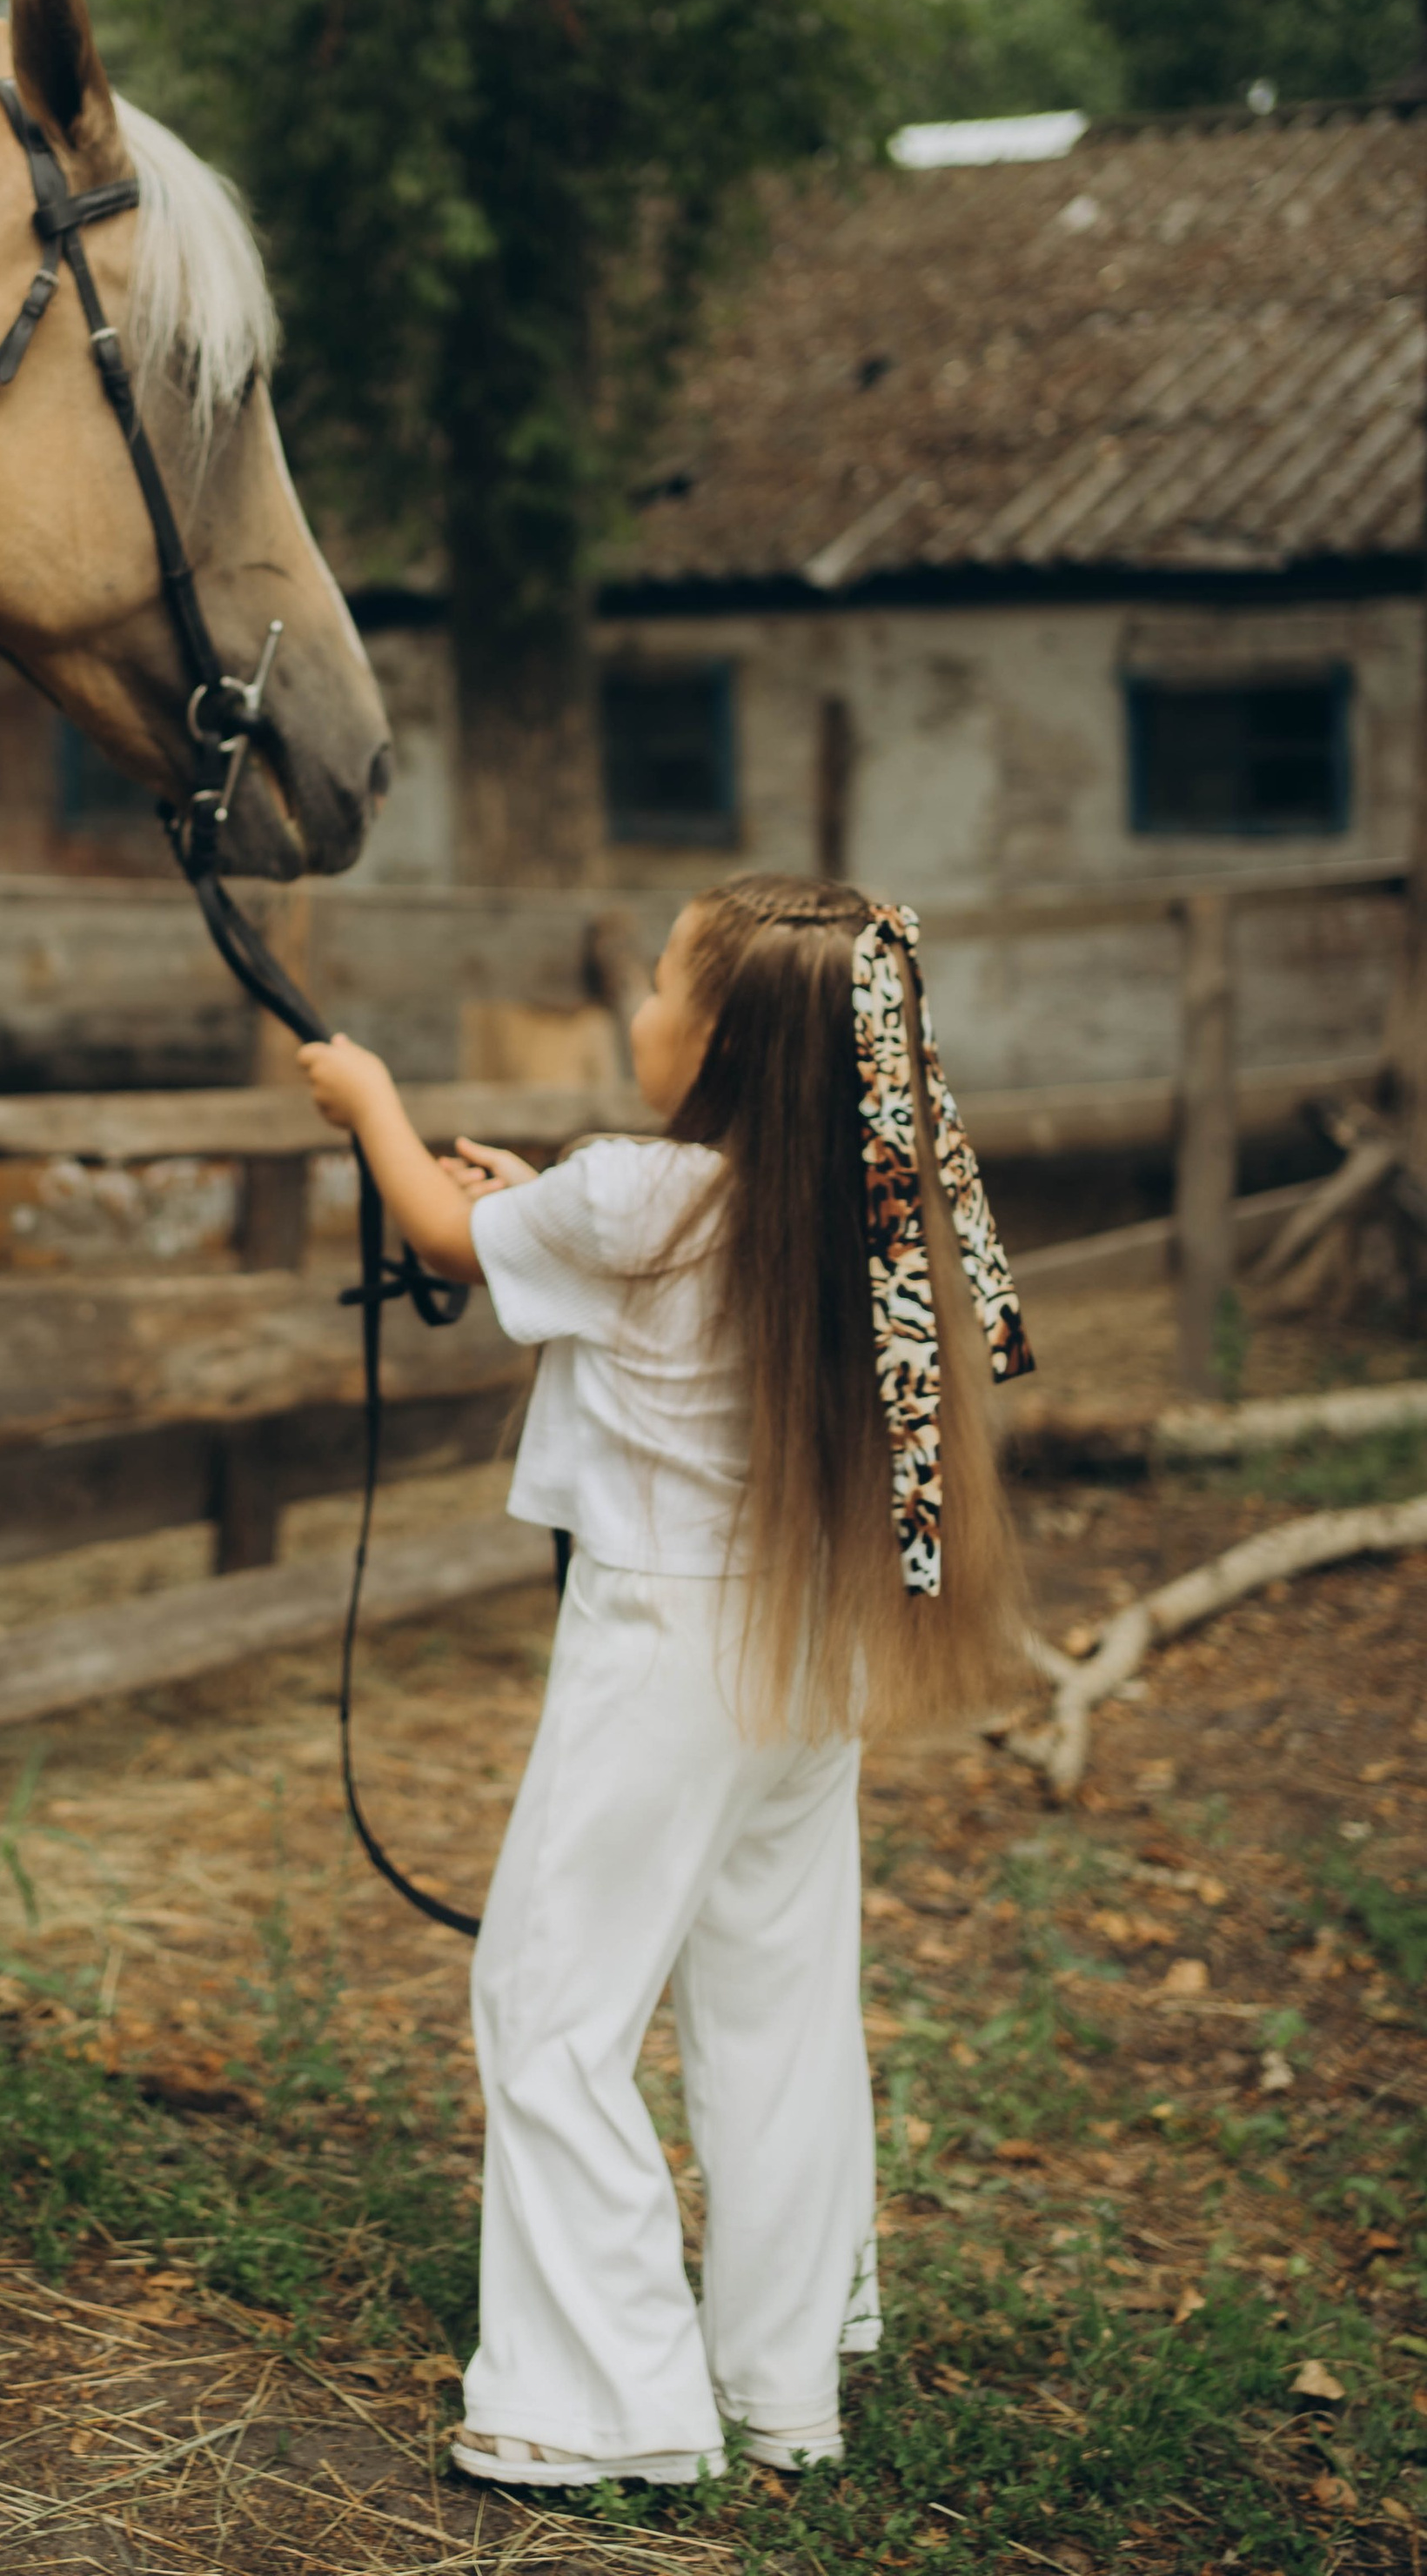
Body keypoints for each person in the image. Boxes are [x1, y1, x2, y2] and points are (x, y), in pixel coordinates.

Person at [297, 871, 1033, 2492]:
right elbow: (545, 1234)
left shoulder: (630, 1194)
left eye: (655, 985)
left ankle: (604, 2397)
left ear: (721, 1043)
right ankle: (783, 2385)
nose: (635, 1007)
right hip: (813, 1644)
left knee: (550, 2007)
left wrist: (372, 1105)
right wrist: (521, 1195)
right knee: (773, 2005)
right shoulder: (841, 1200)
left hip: (672, 1647)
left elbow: (441, 1231)